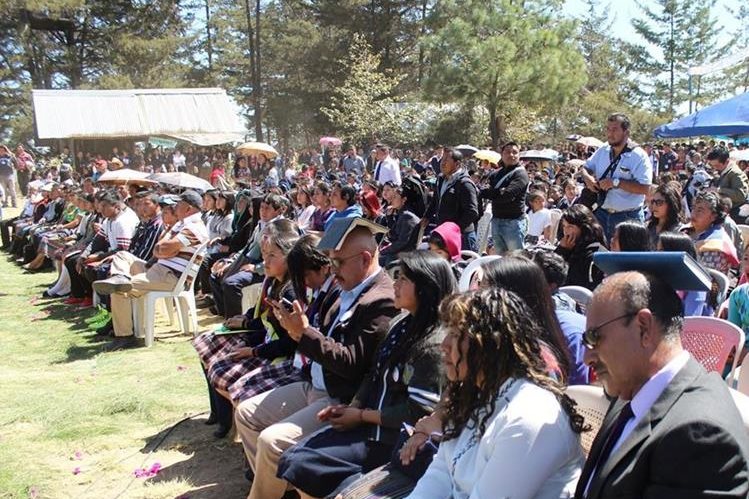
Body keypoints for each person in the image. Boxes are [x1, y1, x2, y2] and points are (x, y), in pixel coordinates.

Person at [234, 224, 398, 499]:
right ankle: (281, 486)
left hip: (339, 397)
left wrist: (303, 334)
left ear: (365, 259)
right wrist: (296, 331)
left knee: (271, 441)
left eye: (338, 262)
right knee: (246, 413)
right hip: (315, 383)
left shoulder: (381, 300)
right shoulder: (347, 286)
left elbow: (352, 364)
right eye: (330, 261)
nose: (332, 269)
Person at [277, 251, 457, 498]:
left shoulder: (433, 345)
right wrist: (353, 408)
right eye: (396, 277)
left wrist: (361, 416)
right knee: (295, 459)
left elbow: (417, 411)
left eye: (403, 279)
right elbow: (373, 373)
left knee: (305, 463)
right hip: (369, 426)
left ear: (425, 288)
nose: (395, 284)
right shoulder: (400, 324)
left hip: (392, 439)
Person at [575, 271, 749, 499]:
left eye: (594, 337)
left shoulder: (700, 436)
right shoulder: (633, 387)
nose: (587, 357)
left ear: (643, 328)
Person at [406, 288, 586, 498]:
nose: (444, 345)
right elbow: (441, 473)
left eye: (455, 334)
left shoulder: (529, 418)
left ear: (490, 344)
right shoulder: (477, 395)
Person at [192, 219, 302, 438]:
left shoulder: (290, 292)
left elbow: (286, 340)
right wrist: (246, 317)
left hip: (275, 351)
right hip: (263, 339)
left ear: (290, 257)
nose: (265, 261)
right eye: (264, 254)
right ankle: (221, 414)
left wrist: (251, 346)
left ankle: (232, 422)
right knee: (208, 342)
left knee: (221, 367)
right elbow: (261, 311)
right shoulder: (273, 281)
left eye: (272, 255)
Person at [93, 190, 208, 339]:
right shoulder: (181, 225)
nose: (175, 207)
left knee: (119, 289)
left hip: (170, 276)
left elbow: (162, 248)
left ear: (189, 208)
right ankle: (120, 277)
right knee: (122, 256)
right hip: (159, 270)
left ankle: (124, 335)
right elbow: (158, 249)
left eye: (179, 204)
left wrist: (164, 248)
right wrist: (165, 248)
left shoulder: (194, 227)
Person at [580, 113, 652, 242]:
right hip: (601, 214)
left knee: (627, 254)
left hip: (628, 217)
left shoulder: (638, 156)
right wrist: (588, 178)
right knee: (600, 252)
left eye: (614, 129)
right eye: (608, 129)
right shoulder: (603, 150)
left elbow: (645, 188)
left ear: (626, 132)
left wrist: (616, 183)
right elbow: (585, 168)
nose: (610, 133)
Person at [423, 147, 480, 252]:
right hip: (443, 234)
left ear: (457, 164)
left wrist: (454, 229)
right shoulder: (440, 179)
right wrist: (426, 217)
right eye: (442, 159)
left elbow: (472, 212)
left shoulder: (465, 184)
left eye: (446, 160)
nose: (442, 163)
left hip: (462, 237)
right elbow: (435, 201)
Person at [480, 141, 530, 253]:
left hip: (513, 223)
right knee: (501, 258)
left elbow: (507, 195)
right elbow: (483, 191)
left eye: (515, 152)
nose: (511, 155)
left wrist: (493, 192)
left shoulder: (520, 174)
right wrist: (499, 191)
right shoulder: (495, 174)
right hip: (496, 220)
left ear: (519, 155)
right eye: (507, 152)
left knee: (516, 259)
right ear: (502, 155)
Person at [683, 191, 739, 275]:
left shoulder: (716, 245)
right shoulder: (685, 231)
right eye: (693, 208)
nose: (694, 213)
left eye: (700, 210)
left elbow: (705, 277)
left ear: (714, 216)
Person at [555, 205, 607, 290]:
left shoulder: (595, 254)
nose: (566, 231)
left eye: (570, 226)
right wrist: (562, 251)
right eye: (564, 226)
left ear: (584, 228)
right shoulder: (568, 247)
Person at [379, 186, 420, 266]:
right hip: (400, 251)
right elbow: (393, 236)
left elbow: (401, 242)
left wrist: (383, 251)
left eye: (395, 197)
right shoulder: (400, 214)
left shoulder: (407, 216)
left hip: (405, 254)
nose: (391, 199)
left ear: (404, 199)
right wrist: (389, 217)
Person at [707, 146, 749, 220]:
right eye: (712, 165)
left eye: (717, 165)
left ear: (726, 161)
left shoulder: (736, 173)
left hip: (734, 213)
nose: (714, 168)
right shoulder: (721, 171)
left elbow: (741, 195)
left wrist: (719, 190)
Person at [646, 181, 683, 247]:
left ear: (671, 204)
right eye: (653, 202)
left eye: (659, 202)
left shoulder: (680, 231)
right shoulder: (648, 227)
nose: (654, 206)